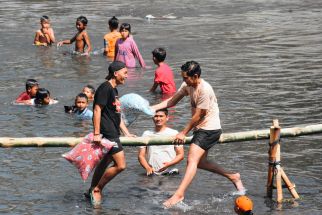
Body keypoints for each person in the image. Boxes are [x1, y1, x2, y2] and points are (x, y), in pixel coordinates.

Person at [151, 61, 245, 208]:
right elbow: (171, 102)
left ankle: (179, 194)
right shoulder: (187, 85)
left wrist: (182, 133)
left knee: (192, 160)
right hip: (199, 129)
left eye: (186, 78)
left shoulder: (205, 89)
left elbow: (199, 116)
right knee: (200, 163)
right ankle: (233, 176)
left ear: (195, 76)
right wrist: (150, 108)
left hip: (210, 129)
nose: (184, 81)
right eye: (183, 78)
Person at [88, 61, 134, 207]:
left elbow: (116, 115)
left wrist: (126, 133)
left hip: (114, 131)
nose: (126, 76)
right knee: (121, 165)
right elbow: (97, 110)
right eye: (125, 73)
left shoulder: (114, 90)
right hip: (107, 132)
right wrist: (96, 133)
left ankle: (91, 189)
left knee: (106, 161)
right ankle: (97, 189)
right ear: (116, 73)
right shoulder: (105, 88)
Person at [138, 108, 184, 176]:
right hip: (152, 173)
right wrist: (147, 167)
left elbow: (181, 155)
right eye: (156, 116)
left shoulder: (174, 133)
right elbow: (141, 156)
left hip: (170, 172)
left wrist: (169, 164)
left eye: (161, 116)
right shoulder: (146, 134)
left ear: (167, 118)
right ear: (152, 118)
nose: (158, 119)